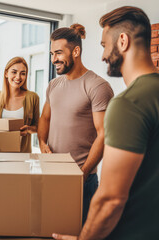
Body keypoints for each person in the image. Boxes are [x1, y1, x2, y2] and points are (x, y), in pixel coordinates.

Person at [53, 6, 159, 240]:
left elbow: (110, 199)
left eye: (105, 45)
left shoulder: (128, 103)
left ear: (123, 41)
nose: (103, 55)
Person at [38, 23, 114, 223]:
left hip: (82, 178)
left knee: (80, 232)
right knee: (53, 228)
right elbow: (45, 117)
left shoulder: (97, 86)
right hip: (52, 172)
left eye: (59, 53)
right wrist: (42, 143)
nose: (54, 59)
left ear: (76, 51)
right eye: (52, 54)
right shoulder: (53, 85)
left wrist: (82, 174)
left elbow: (103, 134)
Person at [0, 56, 40, 202]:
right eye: (14, 72)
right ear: (6, 73)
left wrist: (28, 130)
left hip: (22, 159)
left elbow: (39, 127)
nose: (18, 77)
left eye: (23, 73)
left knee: (18, 206)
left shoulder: (32, 97)